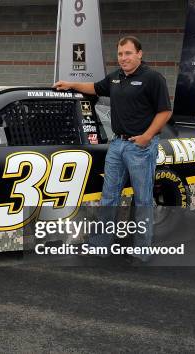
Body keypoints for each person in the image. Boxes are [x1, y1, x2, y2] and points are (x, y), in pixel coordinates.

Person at [53, 36, 172, 263]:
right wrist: (71, 84)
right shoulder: (115, 78)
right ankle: (100, 245)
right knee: (109, 197)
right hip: (117, 145)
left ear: (139, 54)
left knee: (143, 200)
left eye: (128, 53)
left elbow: (165, 111)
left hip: (141, 148)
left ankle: (141, 250)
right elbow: (95, 88)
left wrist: (146, 137)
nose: (123, 58)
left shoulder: (153, 78)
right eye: (120, 54)